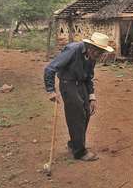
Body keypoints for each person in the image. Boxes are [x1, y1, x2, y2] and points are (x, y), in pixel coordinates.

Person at [44, 32, 114, 161]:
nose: (99, 55)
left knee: (86, 113)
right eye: (98, 52)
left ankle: (74, 143)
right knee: (76, 115)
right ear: (90, 47)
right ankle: (79, 152)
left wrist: (91, 97)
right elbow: (50, 68)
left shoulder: (92, 57)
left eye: (102, 52)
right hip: (68, 84)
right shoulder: (73, 50)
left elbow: (89, 77)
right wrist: (50, 90)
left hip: (81, 84)